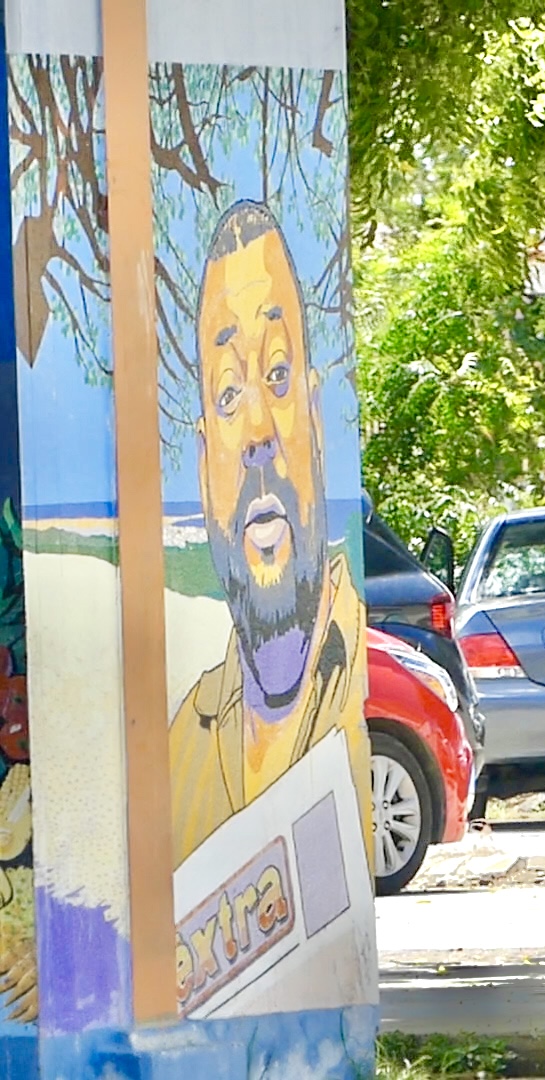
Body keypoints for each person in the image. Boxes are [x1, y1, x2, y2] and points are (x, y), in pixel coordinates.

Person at [171, 200, 370, 869]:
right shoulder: (182, 746)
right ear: (204, 466)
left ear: (316, 420)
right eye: (228, 394)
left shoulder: (353, 689)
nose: (257, 431)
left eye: (277, 376)